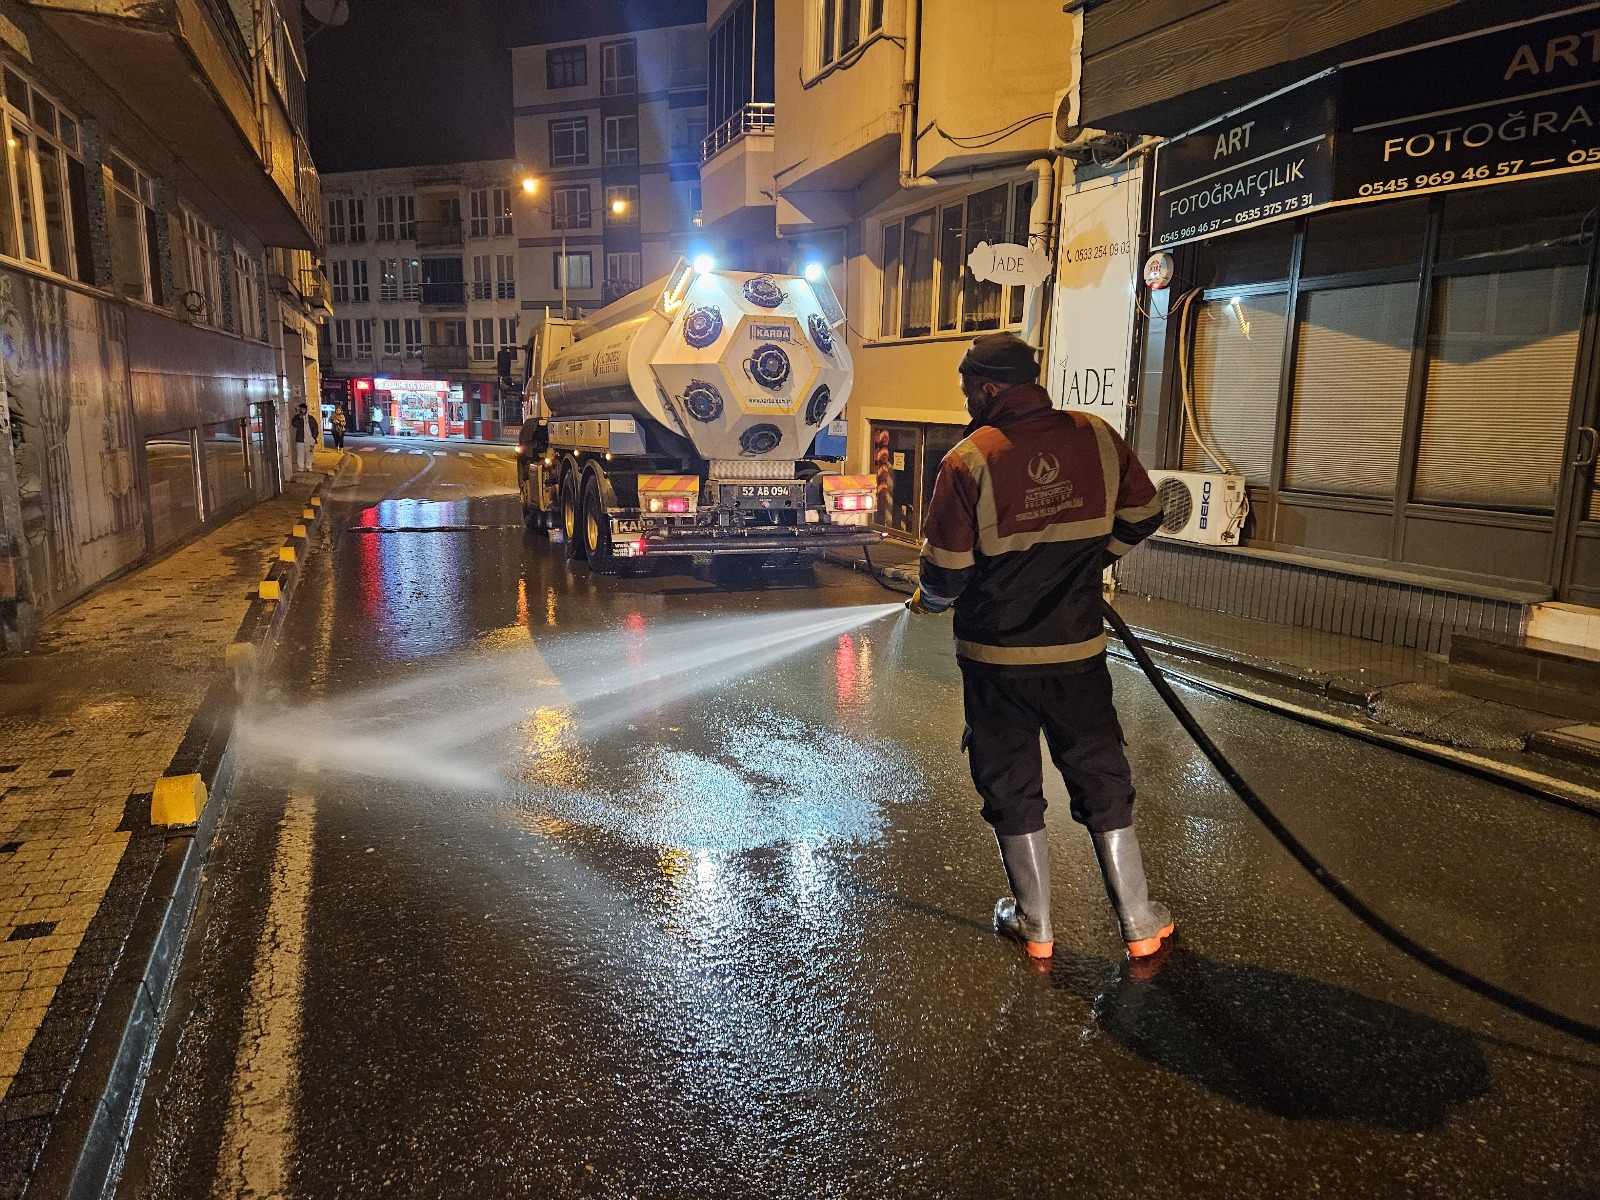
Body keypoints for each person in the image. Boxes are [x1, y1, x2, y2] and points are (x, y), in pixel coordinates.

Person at [905, 332, 1170, 963]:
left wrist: (930, 602)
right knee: (1099, 770)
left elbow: (945, 572)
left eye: (968, 389)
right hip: (1078, 653)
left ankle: (1037, 925)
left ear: (991, 389)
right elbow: (1147, 513)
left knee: (1009, 778)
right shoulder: (1098, 437)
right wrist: (1088, 565)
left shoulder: (969, 461)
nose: (966, 399)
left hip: (996, 663)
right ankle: (1138, 922)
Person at [290, 403, 317, 474]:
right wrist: (299, 418)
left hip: (310, 439)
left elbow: (315, 428)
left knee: (309, 453)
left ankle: (309, 466)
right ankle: (301, 467)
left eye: (304, 409)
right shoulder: (297, 417)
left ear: (306, 409)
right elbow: (294, 424)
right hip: (300, 439)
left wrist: (314, 437)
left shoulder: (311, 418)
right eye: (301, 409)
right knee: (300, 453)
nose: (302, 410)